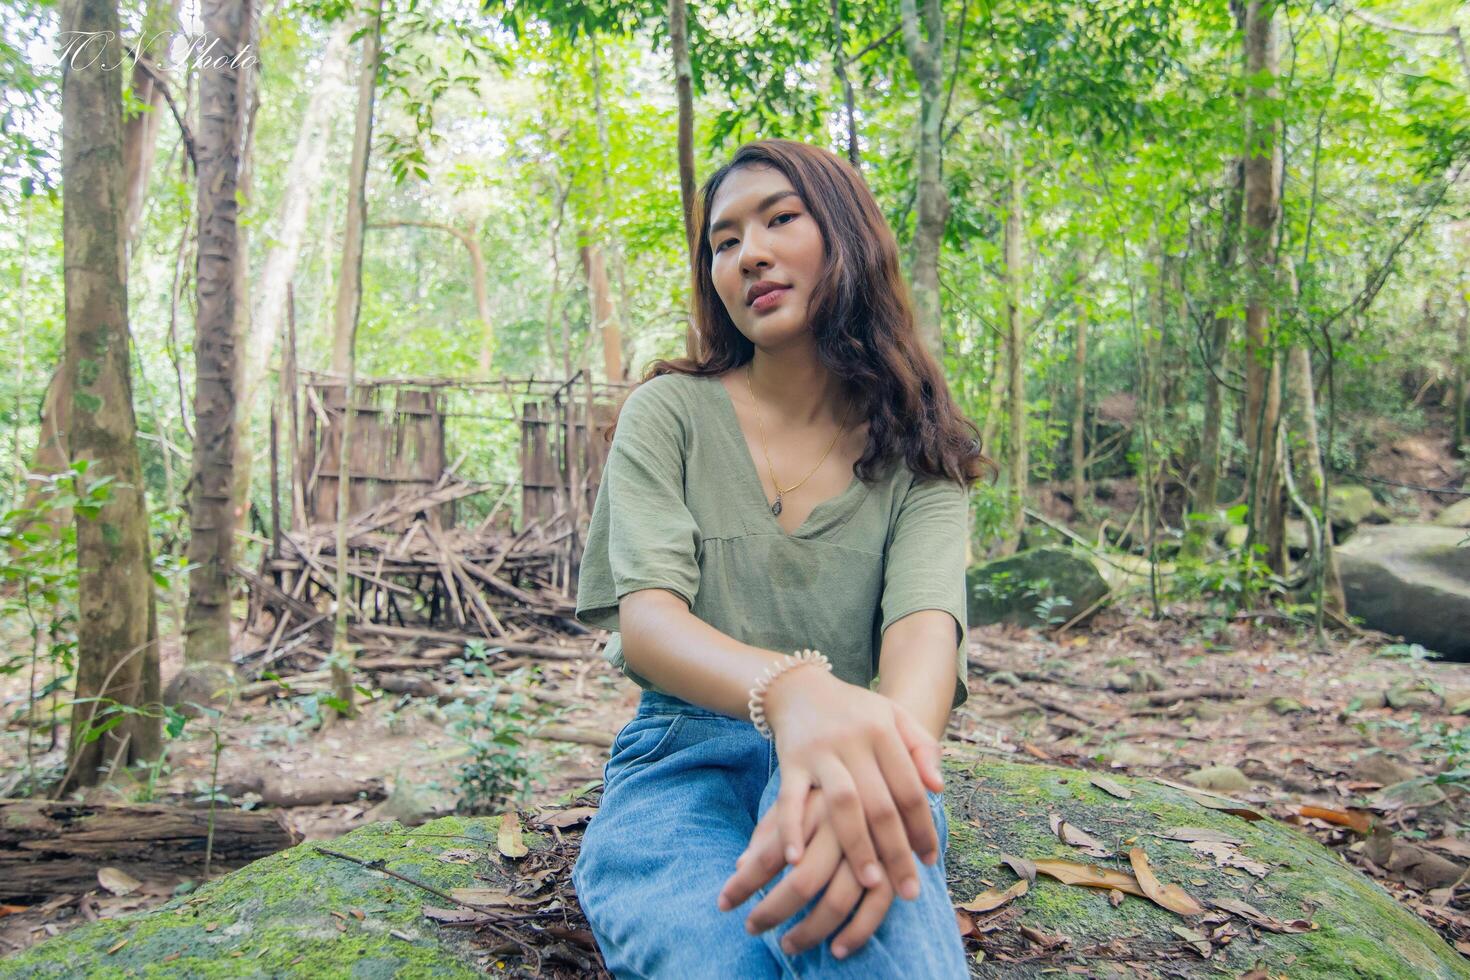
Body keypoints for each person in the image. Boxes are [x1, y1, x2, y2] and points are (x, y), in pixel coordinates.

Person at [571, 137, 992, 978]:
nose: (748, 253)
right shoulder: (669, 414)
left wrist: (880, 767)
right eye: (724, 242)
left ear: (847, 236)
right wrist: (791, 690)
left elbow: (921, 645)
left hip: (860, 753)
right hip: (680, 759)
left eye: (779, 219)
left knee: (864, 926)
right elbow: (648, 623)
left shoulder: (923, 453)